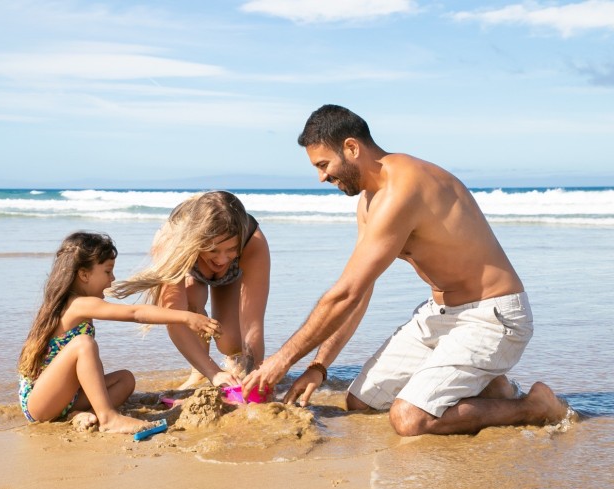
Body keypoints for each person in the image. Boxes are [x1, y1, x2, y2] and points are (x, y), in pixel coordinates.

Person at [242, 104, 567, 436]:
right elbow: (359, 291)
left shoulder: (405, 188)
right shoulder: (369, 203)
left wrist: (280, 362)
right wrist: (318, 367)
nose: (321, 177)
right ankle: (490, 388)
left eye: (324, 165)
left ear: (352, 148)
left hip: (493, 317)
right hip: (442, 315)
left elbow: (344, 294)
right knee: (361, 402)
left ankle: (535, 406)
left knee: (409, 418)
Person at [17, 231, 222, 433]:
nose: (112, 279)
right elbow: (135, 313)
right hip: (40, 402)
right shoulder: (78, 304)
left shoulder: (76, 304)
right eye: (107, 271)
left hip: (65, 398)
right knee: (83, 344)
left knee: (125, 379)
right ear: (84, 274)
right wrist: (186, 316)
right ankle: (108, 418)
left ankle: (80, 413)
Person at [111, 191, 270, 389]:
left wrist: (254, 375)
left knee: (230, 342)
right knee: (191, 304)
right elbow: (175, 320)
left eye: (231, 250)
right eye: (212, 250)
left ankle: (235, 366)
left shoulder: (252, 241)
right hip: (189, 265)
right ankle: (199, 373)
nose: (221, 260)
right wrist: (214, 373)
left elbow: (253, 324)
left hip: (231, 277)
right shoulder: (172, 241)